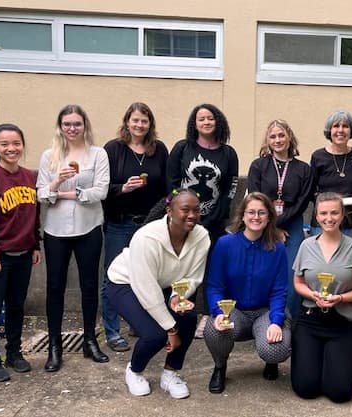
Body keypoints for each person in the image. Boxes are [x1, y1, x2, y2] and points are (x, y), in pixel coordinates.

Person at [107, 189, 210, 398]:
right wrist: (171, 329)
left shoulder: (202, 237)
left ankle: (170, 374)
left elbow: (194, 277)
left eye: (196, 210)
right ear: (169, 211)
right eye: (185, 209)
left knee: (188, 318)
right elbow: (146, 289)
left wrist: (176, 297)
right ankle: (134, 371)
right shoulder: (146, 238)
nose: (192, 215)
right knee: (155, 334)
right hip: (125, 282)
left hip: (164, 284)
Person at [36, 104, 110, 372]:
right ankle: (55, 345)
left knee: (90, 286)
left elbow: (100, 192)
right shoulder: (49, 156)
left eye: (76, 123)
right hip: (56, 230)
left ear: (85, 125)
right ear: (60, 126)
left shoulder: (98, 154)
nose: (72, 128)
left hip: (89, 227)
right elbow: (42, 195)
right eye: (67, 124)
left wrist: (68, 193)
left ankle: (90, 340)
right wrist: (57, 183)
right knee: (55, 287)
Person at [0, 123, 41, 382]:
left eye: (16, 143)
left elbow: (33, 215)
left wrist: (36, 244)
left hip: (23, 255)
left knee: (16, 307)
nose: (11, 148)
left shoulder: (28, 177)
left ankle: (14, 353)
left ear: (22, 145)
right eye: (4, 144)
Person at [204, 192, 291, 394]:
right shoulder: (225, 244)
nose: (256, 217)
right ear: (242, 215)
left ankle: (271, 362)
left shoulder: (277, 249)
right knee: (213, 330)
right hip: (235, 312)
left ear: (269, 217)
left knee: (276, 349)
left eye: (262, 212)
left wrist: (276, 321)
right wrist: (218, 313)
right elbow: (214, 285)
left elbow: (279, 291)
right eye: (251, 212)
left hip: (264, 313)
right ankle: (220, 366)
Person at [166, 103, 239, 338]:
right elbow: (172, 182)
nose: (206, 122)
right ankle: (173, 315)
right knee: (178, 266)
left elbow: (231, 186)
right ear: (194, 123)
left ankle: (206, 315)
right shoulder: (182, 148)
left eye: (210, 118)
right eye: (201, 119)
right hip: (181, 221)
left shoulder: (228, 153)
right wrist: (182, 214)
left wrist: (217, 213)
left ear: (218, 122)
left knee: (210, 269)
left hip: (213, 222)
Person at [291, 192, 352, 403]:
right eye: (323, 213)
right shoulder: (306, 246)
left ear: (342, 215)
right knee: (305, 389)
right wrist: (312, 294)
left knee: (339, 393)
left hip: (342, 323)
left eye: (334, 213)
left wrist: (341, 298)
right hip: (310, 320)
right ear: (316, 216)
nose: (329, 218)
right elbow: (298, 282)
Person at [101, 102, 168, 352]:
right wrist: (122, 188)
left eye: (144, 121)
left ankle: (138, 324)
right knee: (113, 276)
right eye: (135, 120)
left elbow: (167, 188)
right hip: (120, 222)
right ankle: (111, 330)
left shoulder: (158, 149)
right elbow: (101, 188)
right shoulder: (113, 149)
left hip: (150, 224)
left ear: (150, 124)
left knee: (146, 276)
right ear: (127, 121)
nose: (139, 125)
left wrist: (161, 216)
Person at [247, 119, 312, 319]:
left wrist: (280, 224)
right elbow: (255, 196)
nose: (278, 140)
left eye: (282, 135)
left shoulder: (303, 168)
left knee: (292, 271)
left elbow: (303, 201)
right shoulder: (258, 166)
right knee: (263, 271)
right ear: (268, 140)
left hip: (292, 225)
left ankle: (289, 316)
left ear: (290, 137)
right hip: (262, 225)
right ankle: (263, 318)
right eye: (273, 136)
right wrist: (272, 227)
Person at [310, 110, 352, 247]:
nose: (340, 130)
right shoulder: (318, 157)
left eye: (345, 126)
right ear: (329, 130)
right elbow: (311, 190)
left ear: (351, 130)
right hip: (324, 220)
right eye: (336, 126)